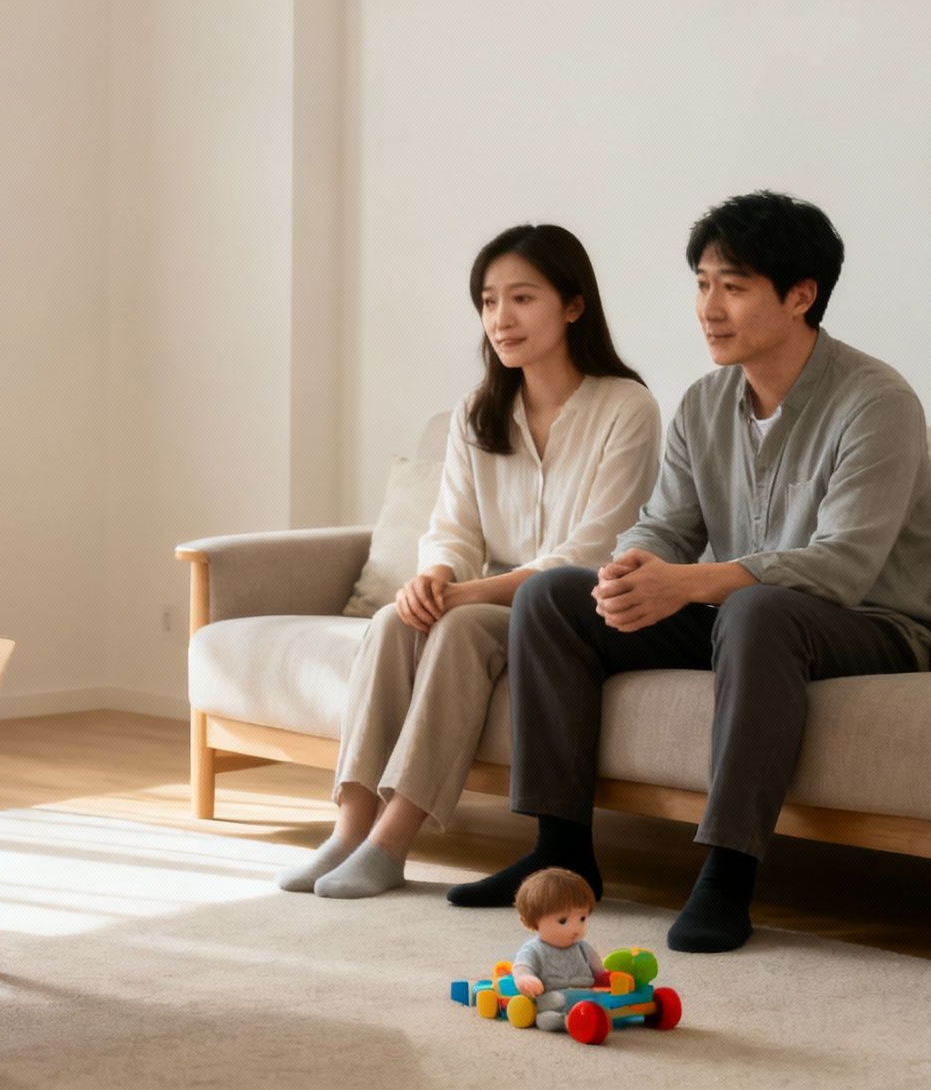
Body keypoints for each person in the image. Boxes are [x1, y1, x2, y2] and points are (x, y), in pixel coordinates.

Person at [447, 191, 931, 955]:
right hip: (749, 613)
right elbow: (664, 526)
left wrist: (688, 583)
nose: (707, 307)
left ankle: (728, 872)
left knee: (757, 611)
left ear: (801, 295)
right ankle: (562, 853)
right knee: (554, 595)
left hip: (873, 623)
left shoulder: (875, 401)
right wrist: (628, 573)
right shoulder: (705, 402)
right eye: (702, 283)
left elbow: (842, 565)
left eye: (733, 286)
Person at [276, 224, 662, 898]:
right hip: (486, 596)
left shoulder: (626, 407)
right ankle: (349, 828)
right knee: (397, 621)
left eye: (521, 298)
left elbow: (595, 549)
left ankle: (393, 843)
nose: (500, 320)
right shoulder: (476, 412)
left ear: (573, 306)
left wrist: (465, 598)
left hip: (569, 610)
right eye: (488, 302)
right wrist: (434, 577)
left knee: (457, 627)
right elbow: (452, 527)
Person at [510, 868, 609, 1032]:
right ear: (533, 921)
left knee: (606, 1000)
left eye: (582, 918)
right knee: (548, 1011)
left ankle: (592, 1014)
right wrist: (525, 978)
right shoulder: (534, 949)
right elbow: (522, 967)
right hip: (554, 995)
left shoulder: (583, 947)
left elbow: (599, 971)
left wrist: (606, 977)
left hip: (587, 993)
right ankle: (566, 1021)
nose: (576, 928)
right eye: (563, 920)